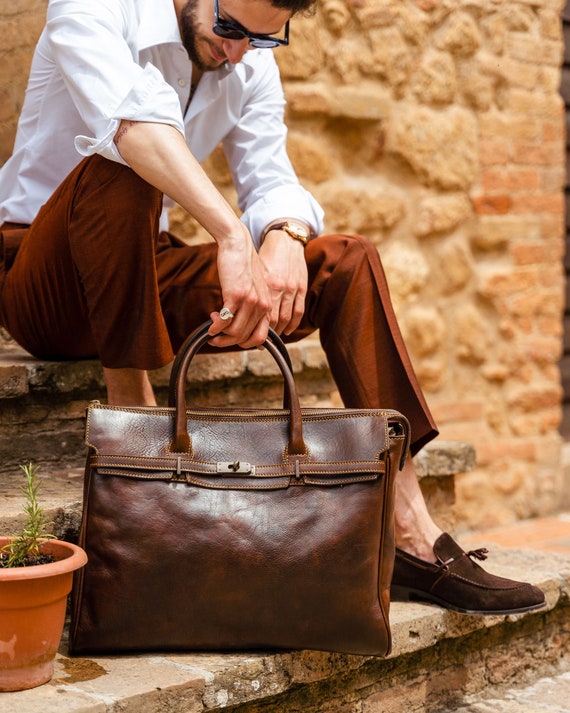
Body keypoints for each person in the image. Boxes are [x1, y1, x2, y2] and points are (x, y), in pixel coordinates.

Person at [0, 0, 545, 616]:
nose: (237, 52)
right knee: (126, 156)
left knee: (344, 260)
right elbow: (132, 121)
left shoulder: (247, 56)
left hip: (145, 265)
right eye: (229, 28)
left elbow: (270, 173)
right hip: (41, 278)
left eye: (263, 39)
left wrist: (284, 234)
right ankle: (138, 443)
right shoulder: (97, 4)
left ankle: (412, 529)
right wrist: (234, 235)